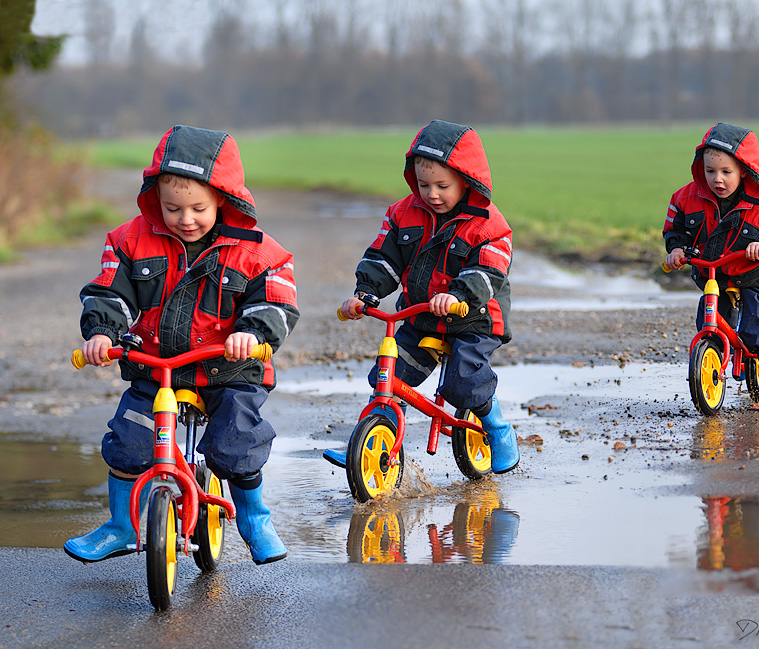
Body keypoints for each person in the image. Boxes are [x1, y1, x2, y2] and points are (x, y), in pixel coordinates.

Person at [64, 125, 299, 565]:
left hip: (227, 368)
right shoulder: (129, 240)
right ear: (155, 199)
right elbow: (109, 291)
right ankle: (120, 525)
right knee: (130, 442)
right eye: (172, 208)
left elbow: (277, 299)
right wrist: (102, 331)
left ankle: (254, 520)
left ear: (223, 202)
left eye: (198, 208)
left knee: (237, 443)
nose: (185, 219)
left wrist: (253, 333)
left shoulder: (258, 251)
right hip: (156, 366)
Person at [323, 119, 519, 473]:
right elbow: (384, 257)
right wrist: (365, 293)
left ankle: (497, 428)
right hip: (420, 313)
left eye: (443, 185)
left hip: (474, 318)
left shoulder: (489, 224)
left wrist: (459, 294)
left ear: (467, 181)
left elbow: (489, 272)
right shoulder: (403, 213)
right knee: (390, 373)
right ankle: (370, 441)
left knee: (465, 380)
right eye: (424, 184)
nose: (432, 194)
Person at [663, 122, 759, 410]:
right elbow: (675, 228)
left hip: (757, 273)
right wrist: (676, 248)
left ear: (743, 170)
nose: (717, 179)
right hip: (716, 272)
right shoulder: (687, 197)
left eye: (726, 172)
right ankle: (713, 357)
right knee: (709, 321)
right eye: (710, 171)